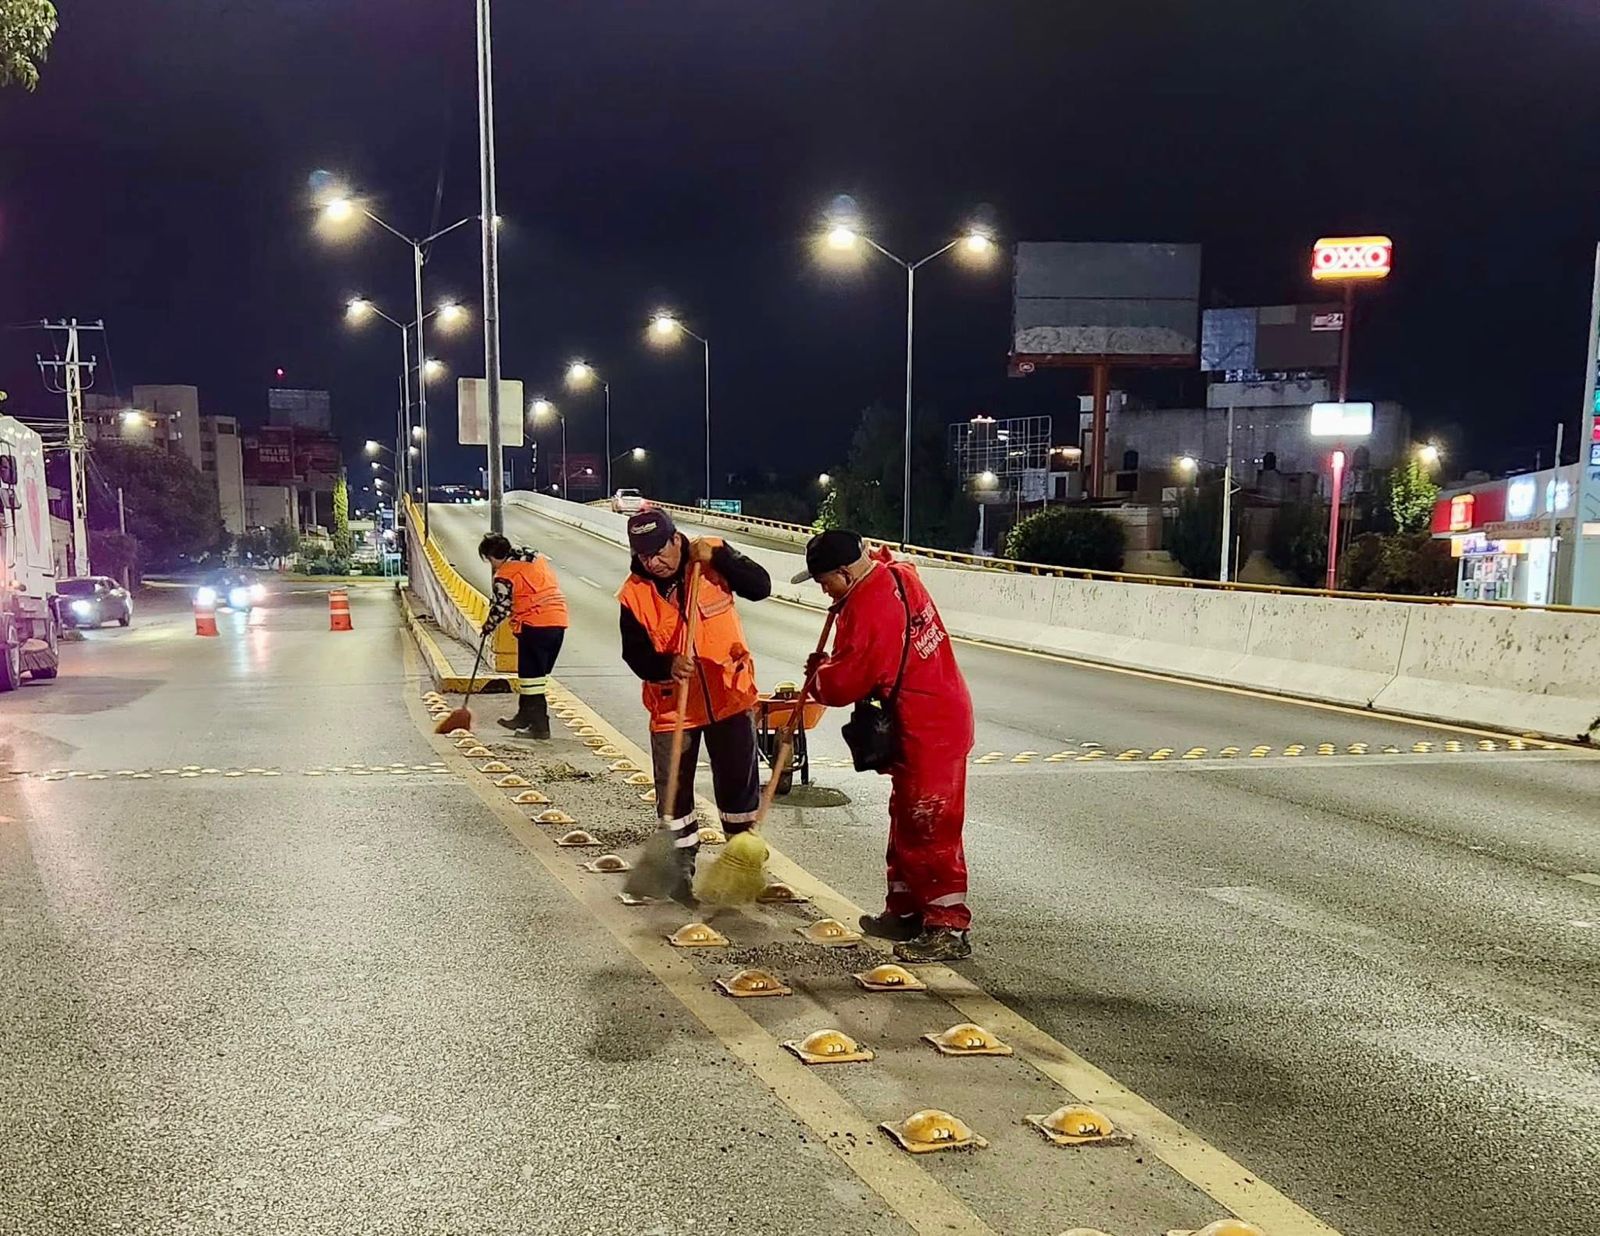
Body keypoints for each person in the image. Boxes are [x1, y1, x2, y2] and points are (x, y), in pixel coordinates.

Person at [796, 529, 976, 963]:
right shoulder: (895, 573)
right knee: (906, 819)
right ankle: (905, 911)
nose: (823, 589)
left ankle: (947, 927)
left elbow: (844, 684)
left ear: (845, 572)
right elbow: (888, 558)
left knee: (929, 825)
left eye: (825, 581)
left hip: (930, 727)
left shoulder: (869, 609)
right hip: (931, 714)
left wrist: (818, 674)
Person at [618, 509, 771, 900]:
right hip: (674, 708)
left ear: (676, 539)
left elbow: (761, 587)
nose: (654, 561)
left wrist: (722, 557)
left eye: (659, 551)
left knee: (738, 794)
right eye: (644, 555)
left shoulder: (711, 561)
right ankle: (678, 873)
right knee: (674, 798)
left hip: (729, 696)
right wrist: (666, 665)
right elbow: (634, 654)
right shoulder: (634, 594)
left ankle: (739, 869)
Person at [480, 533, 569, 738]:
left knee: (531, 680)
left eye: (489, 560)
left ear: (492, 557)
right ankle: (524, 716)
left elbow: (501, 608)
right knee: (534, 676)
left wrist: (487, 627)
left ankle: (540, 727)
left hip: (535, 624)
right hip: (558, 621)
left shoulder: (505, 576)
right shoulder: (534, 557)